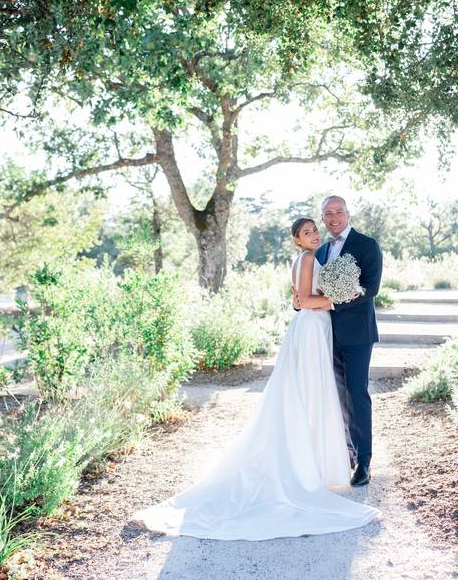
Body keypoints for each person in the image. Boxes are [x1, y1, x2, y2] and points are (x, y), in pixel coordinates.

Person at [131, 217, 380, 539]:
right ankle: (307, 463)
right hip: (311, 328)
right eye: (307, 233)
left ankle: (326, 460)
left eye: (314, 230)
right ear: (297, 240)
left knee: (318, 392)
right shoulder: (307, 258)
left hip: (320, 329)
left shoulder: (321, 255)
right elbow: (303, 300)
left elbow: (304, 298)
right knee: (310, 392)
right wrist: (339, 298)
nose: (315, 234)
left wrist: (331, 297)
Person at [312, 195, 383, 487]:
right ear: (323, 218)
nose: (334, 218)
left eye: (338, 212)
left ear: (348, 214)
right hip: (325, 335)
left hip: (357, 335)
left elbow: (371, 288)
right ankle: (345, 455)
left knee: (357, 394)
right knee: (335, 396)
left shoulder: (367, 245)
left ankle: (363, 461)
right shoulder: (320, 252)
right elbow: (311, 288)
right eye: (328, 214)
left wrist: (332, 303)